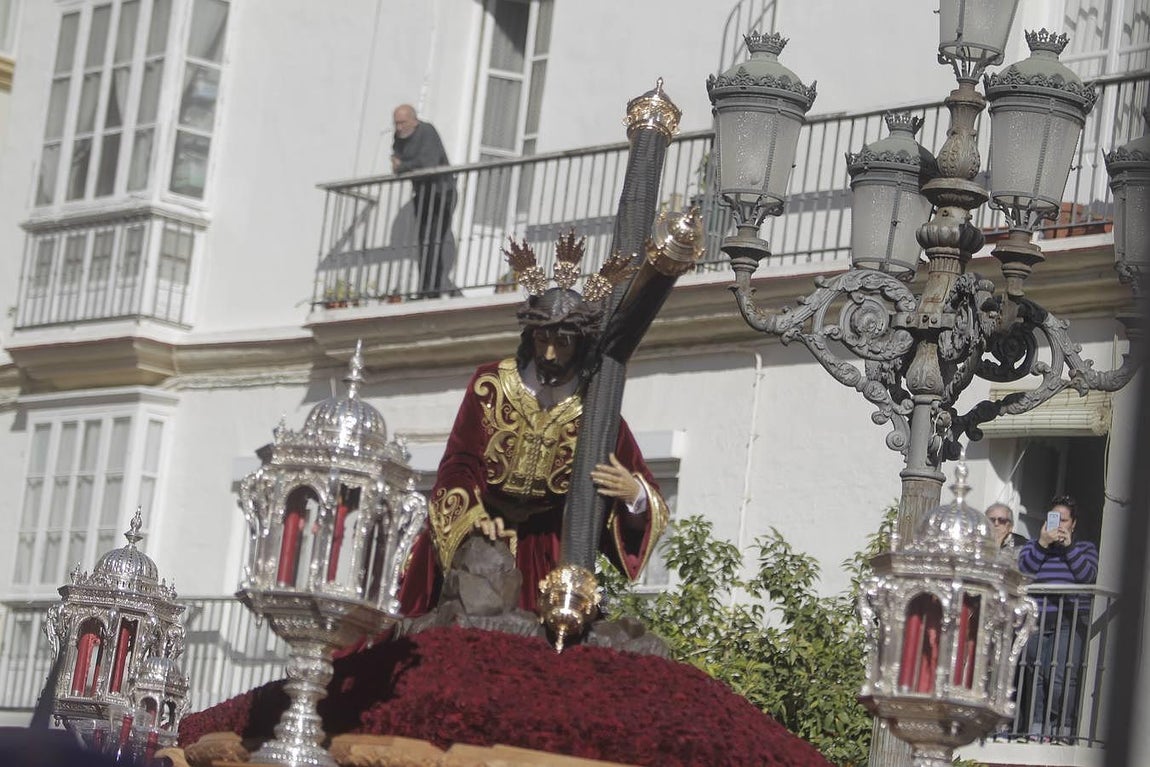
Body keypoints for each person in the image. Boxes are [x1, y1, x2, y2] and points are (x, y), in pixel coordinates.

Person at [399, 236, 669, 615]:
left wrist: (633, 494)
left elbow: (643, 487)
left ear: (581, 345)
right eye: (543, 340)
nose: (550, 354)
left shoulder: (594, 408)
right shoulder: (491, 386)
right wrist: (473, 519)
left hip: (544, 551)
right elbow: (460, 462)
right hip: (480, 529)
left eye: (563, 343)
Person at [1017, 494, 1098, 743]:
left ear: (1073, 524)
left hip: (1069, 620)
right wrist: (1042, 544)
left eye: (1064, 520)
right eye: (1055, 518)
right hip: (1038, 619)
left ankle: (1061, 728)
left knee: (1061, 676)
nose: (1059, 525)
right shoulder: (1033, 546)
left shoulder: (1085, 549)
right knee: (1036, 674)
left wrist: (1070, 548)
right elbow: (1023, 572)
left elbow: (1087, 576)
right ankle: (1036, 729)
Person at [391, 104, 457, 298]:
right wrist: (402, 166)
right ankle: (425, 289)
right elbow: (396, 160)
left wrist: (403, 166)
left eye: (402, 123)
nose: (399, 127)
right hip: (423, 194)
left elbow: (427, 163)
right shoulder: (399, 138)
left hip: (441, 193)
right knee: (424, 242)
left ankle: (433, 290)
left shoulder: (426, 131)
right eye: (396, 123)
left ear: (414, 120)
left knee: (434, 240)